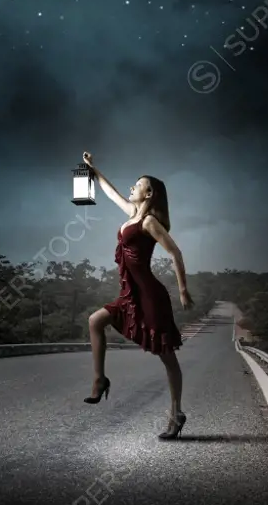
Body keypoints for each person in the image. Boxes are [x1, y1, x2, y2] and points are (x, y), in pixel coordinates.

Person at [80, 151, 194, 440]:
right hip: (130, 294)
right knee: (95, 321)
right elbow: (110, 192)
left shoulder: (148, 223)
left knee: (166, 357)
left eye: (137, 185)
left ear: (149, 193)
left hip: (150, 296)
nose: (132, 187)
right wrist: (93, 169)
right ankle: (100, 379)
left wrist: (182, 290)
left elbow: (175, 253)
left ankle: (176, 413)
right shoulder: (132, 215)